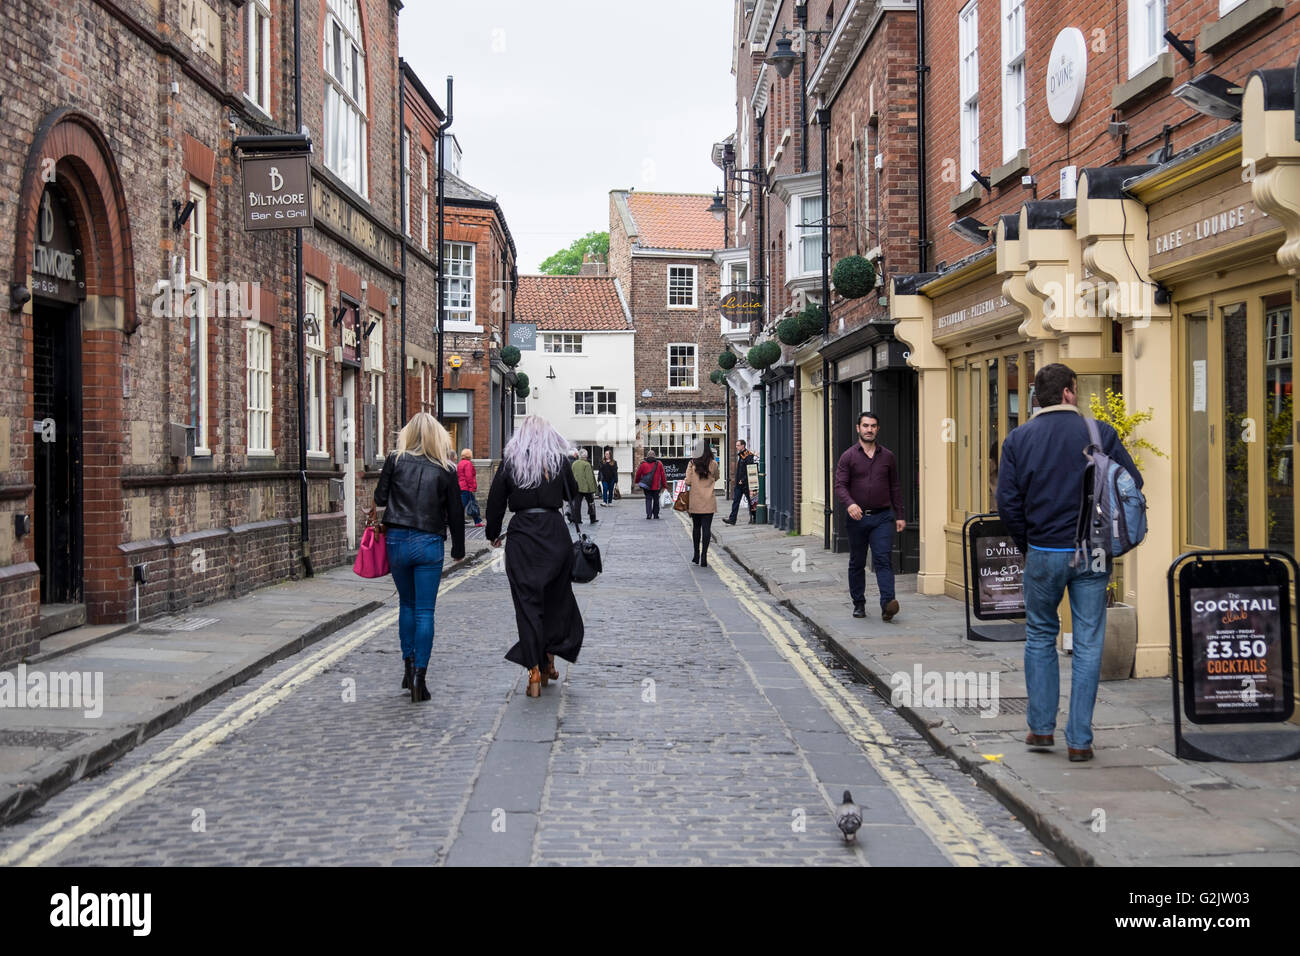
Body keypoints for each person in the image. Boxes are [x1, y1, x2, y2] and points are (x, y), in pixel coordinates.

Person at [996, 363, 1142, 763]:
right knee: (1089, 642)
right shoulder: (1099, 433)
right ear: (1068, 393)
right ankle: (1080, 739)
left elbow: (1007, 503)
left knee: (1041, 636)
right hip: (1092, 551)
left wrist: (1031, 543)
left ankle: (1041, 730)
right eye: (1075, 390)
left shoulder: (1018, 439)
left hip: (1043, 552)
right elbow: (1132, 484)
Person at [485, 416, 585, 699]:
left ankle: (534, 673)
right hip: (554, 533)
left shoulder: (511, 461)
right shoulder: (558, 461)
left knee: (527, 606)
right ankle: (550, 660)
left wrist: (492, 533)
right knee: (555, 602)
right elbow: (573, 492)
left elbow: (495, 501)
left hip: (522, 537)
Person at [372, 412, 466, 703]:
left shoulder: (395, 460)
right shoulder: (446, 469)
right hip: (428, 543)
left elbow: (379, 498)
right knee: (425, 611)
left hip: (397, 540)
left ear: (408, 435)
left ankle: (407, 665)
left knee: (407, 605)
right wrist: (459, 548)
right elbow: (456, 513)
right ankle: (419, 679)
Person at [833, 411, 905, 622]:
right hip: (857, 518)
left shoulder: (888, 457)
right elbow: (840, 485)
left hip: (883, 517)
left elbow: (895, 487)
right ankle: (859, 603)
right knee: (857, 562)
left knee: (883, 559)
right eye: (865, 426)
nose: (869, 429)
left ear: (877, 429)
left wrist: (900, 514)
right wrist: (850, 504)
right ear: (858, 428)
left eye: (873, 426)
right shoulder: (848, 456)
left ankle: (888, 605)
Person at [684, 440, 720, 567]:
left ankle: (696, 554)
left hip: (695, 500)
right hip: (709, 500)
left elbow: (688, 481)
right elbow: (717, 477)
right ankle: (704, 556)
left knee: (696, 528)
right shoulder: (713, 463)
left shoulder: (692, 463)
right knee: (706, 529)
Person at [722, 439, 756, 525]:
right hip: (739, 484)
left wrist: (743, 480)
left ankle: (754, 517)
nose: (736, 447)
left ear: (743, 446)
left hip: (746, 484)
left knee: (751, 501)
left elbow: (750, 469)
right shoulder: (741, 455)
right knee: (735, 501)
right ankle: (732, 519)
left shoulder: (748, 456)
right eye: (736, 445)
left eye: (738, 445)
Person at [633, 451, 666, 520]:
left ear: (647, 456)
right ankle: (656, 514)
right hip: (656, 486)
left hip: (647, 486)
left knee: (648, 499)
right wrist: (664, 485)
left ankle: (649, 514)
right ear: (655, 456)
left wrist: (637, 481)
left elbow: (638, 474)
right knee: (656, 500)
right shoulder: (659, 464)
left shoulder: (643, 464)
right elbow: (663, 475)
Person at [571, 448, 599, 524]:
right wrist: (594, 489)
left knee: (577, 505)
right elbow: (589, 478)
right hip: (587, 488)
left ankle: (577, 519)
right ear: (586, 456)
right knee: (591, 503)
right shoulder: (587, 464)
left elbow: (572, 475)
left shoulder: (574, 464)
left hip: (576, 487)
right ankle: (592, 518)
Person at [457, 448, 483, 527]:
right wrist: (472, 487)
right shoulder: (468, 463)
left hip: (460, 487)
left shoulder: (460, 463)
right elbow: (469, 477)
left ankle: (477, 521)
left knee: (472, 503)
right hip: (466, 487)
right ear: (469, 455)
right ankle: (457, 521)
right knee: (464, 505)